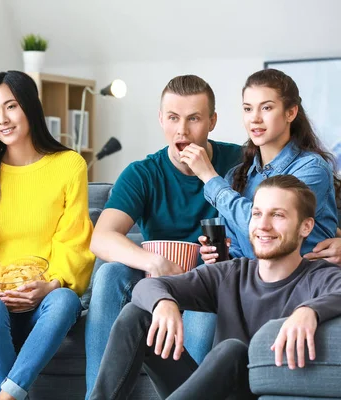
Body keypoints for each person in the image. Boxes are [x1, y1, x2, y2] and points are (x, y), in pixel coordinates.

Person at [90, 175, 341, 400]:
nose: (263, 225)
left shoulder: (318, 277)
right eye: (256, 213)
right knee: (138, 314)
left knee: (233, 351)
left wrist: (309, 310)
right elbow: (148, 287)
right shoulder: (231, 273)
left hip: (250, 392)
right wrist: (163, 303)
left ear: (305, 227)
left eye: (277, 215)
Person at [85, 74, 242, 396]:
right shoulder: (144, 173)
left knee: (208, 279)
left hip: (211, 280)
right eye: (172, 118)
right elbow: (101, 238)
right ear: (161, 119)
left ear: (212, 121)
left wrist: (207, 174)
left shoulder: (240, 163)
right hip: (156, 279)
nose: (181, 131)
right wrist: (153, 262)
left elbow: (290, 211)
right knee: (111, 273)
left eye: (194, 118)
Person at [0, 70, 95, 400]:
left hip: (45, 300)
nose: (1, 119)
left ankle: (7, 396)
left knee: (65, 301)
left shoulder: (69, 165)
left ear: (30, 107)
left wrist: (52, 284)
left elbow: (74, 239)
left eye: (11, 106)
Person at [180, 68, 341, 264]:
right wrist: (222, 256)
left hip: (302, 283)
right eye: (248, 109)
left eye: (266, 108)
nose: (255, 118)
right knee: (158, 287)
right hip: (252, 284)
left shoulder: (312, 169)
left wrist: (209, 177)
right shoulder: (236, 176)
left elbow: (268, 225)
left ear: (291, 112)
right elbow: (239, 252)